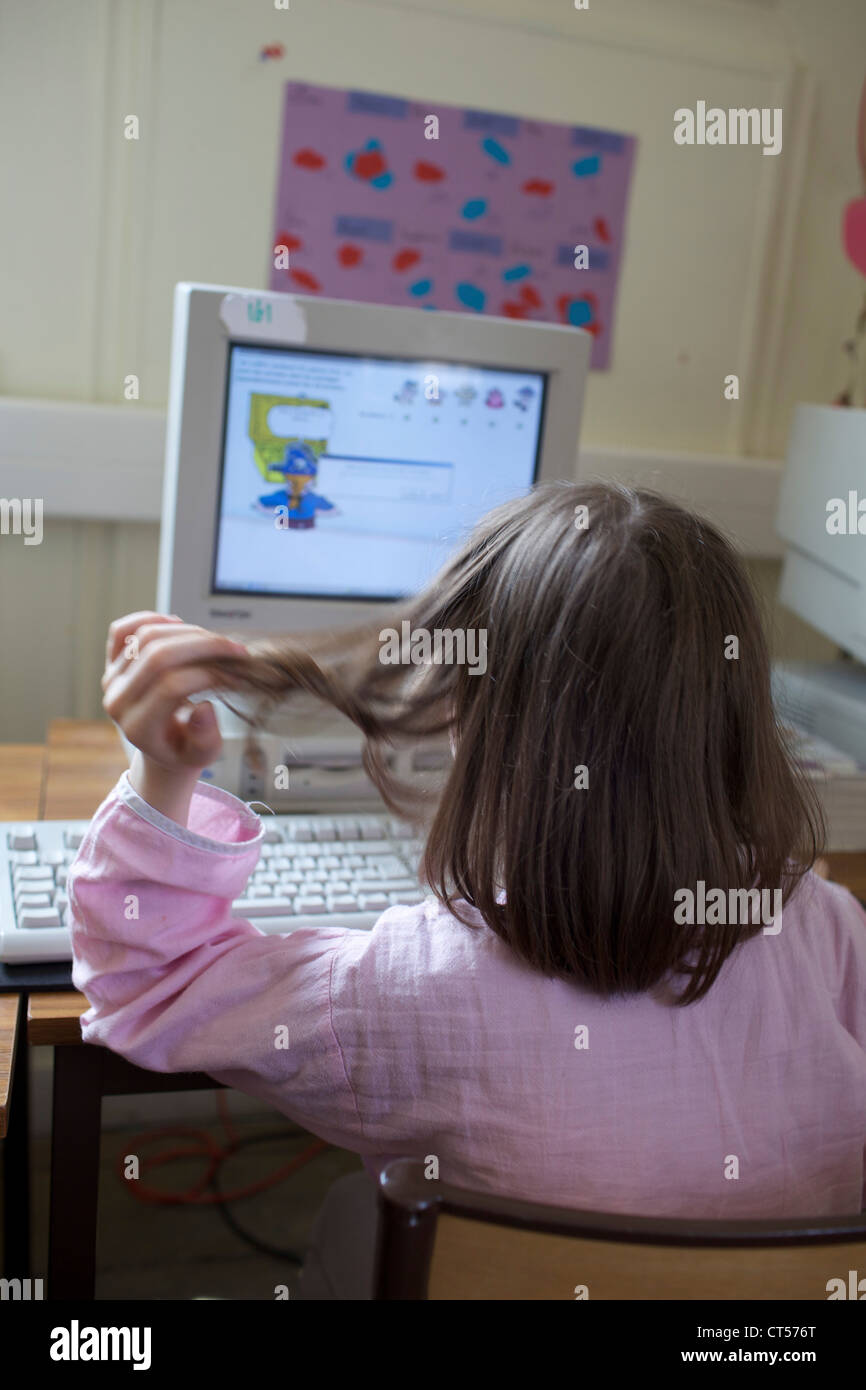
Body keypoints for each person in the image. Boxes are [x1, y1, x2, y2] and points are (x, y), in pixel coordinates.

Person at [69, 482, 866, 1298]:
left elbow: (150, 986)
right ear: (738, 726)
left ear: (474, 723)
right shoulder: (832, 935)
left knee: (357, 1212)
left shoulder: (402, 994)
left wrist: (164, 773)